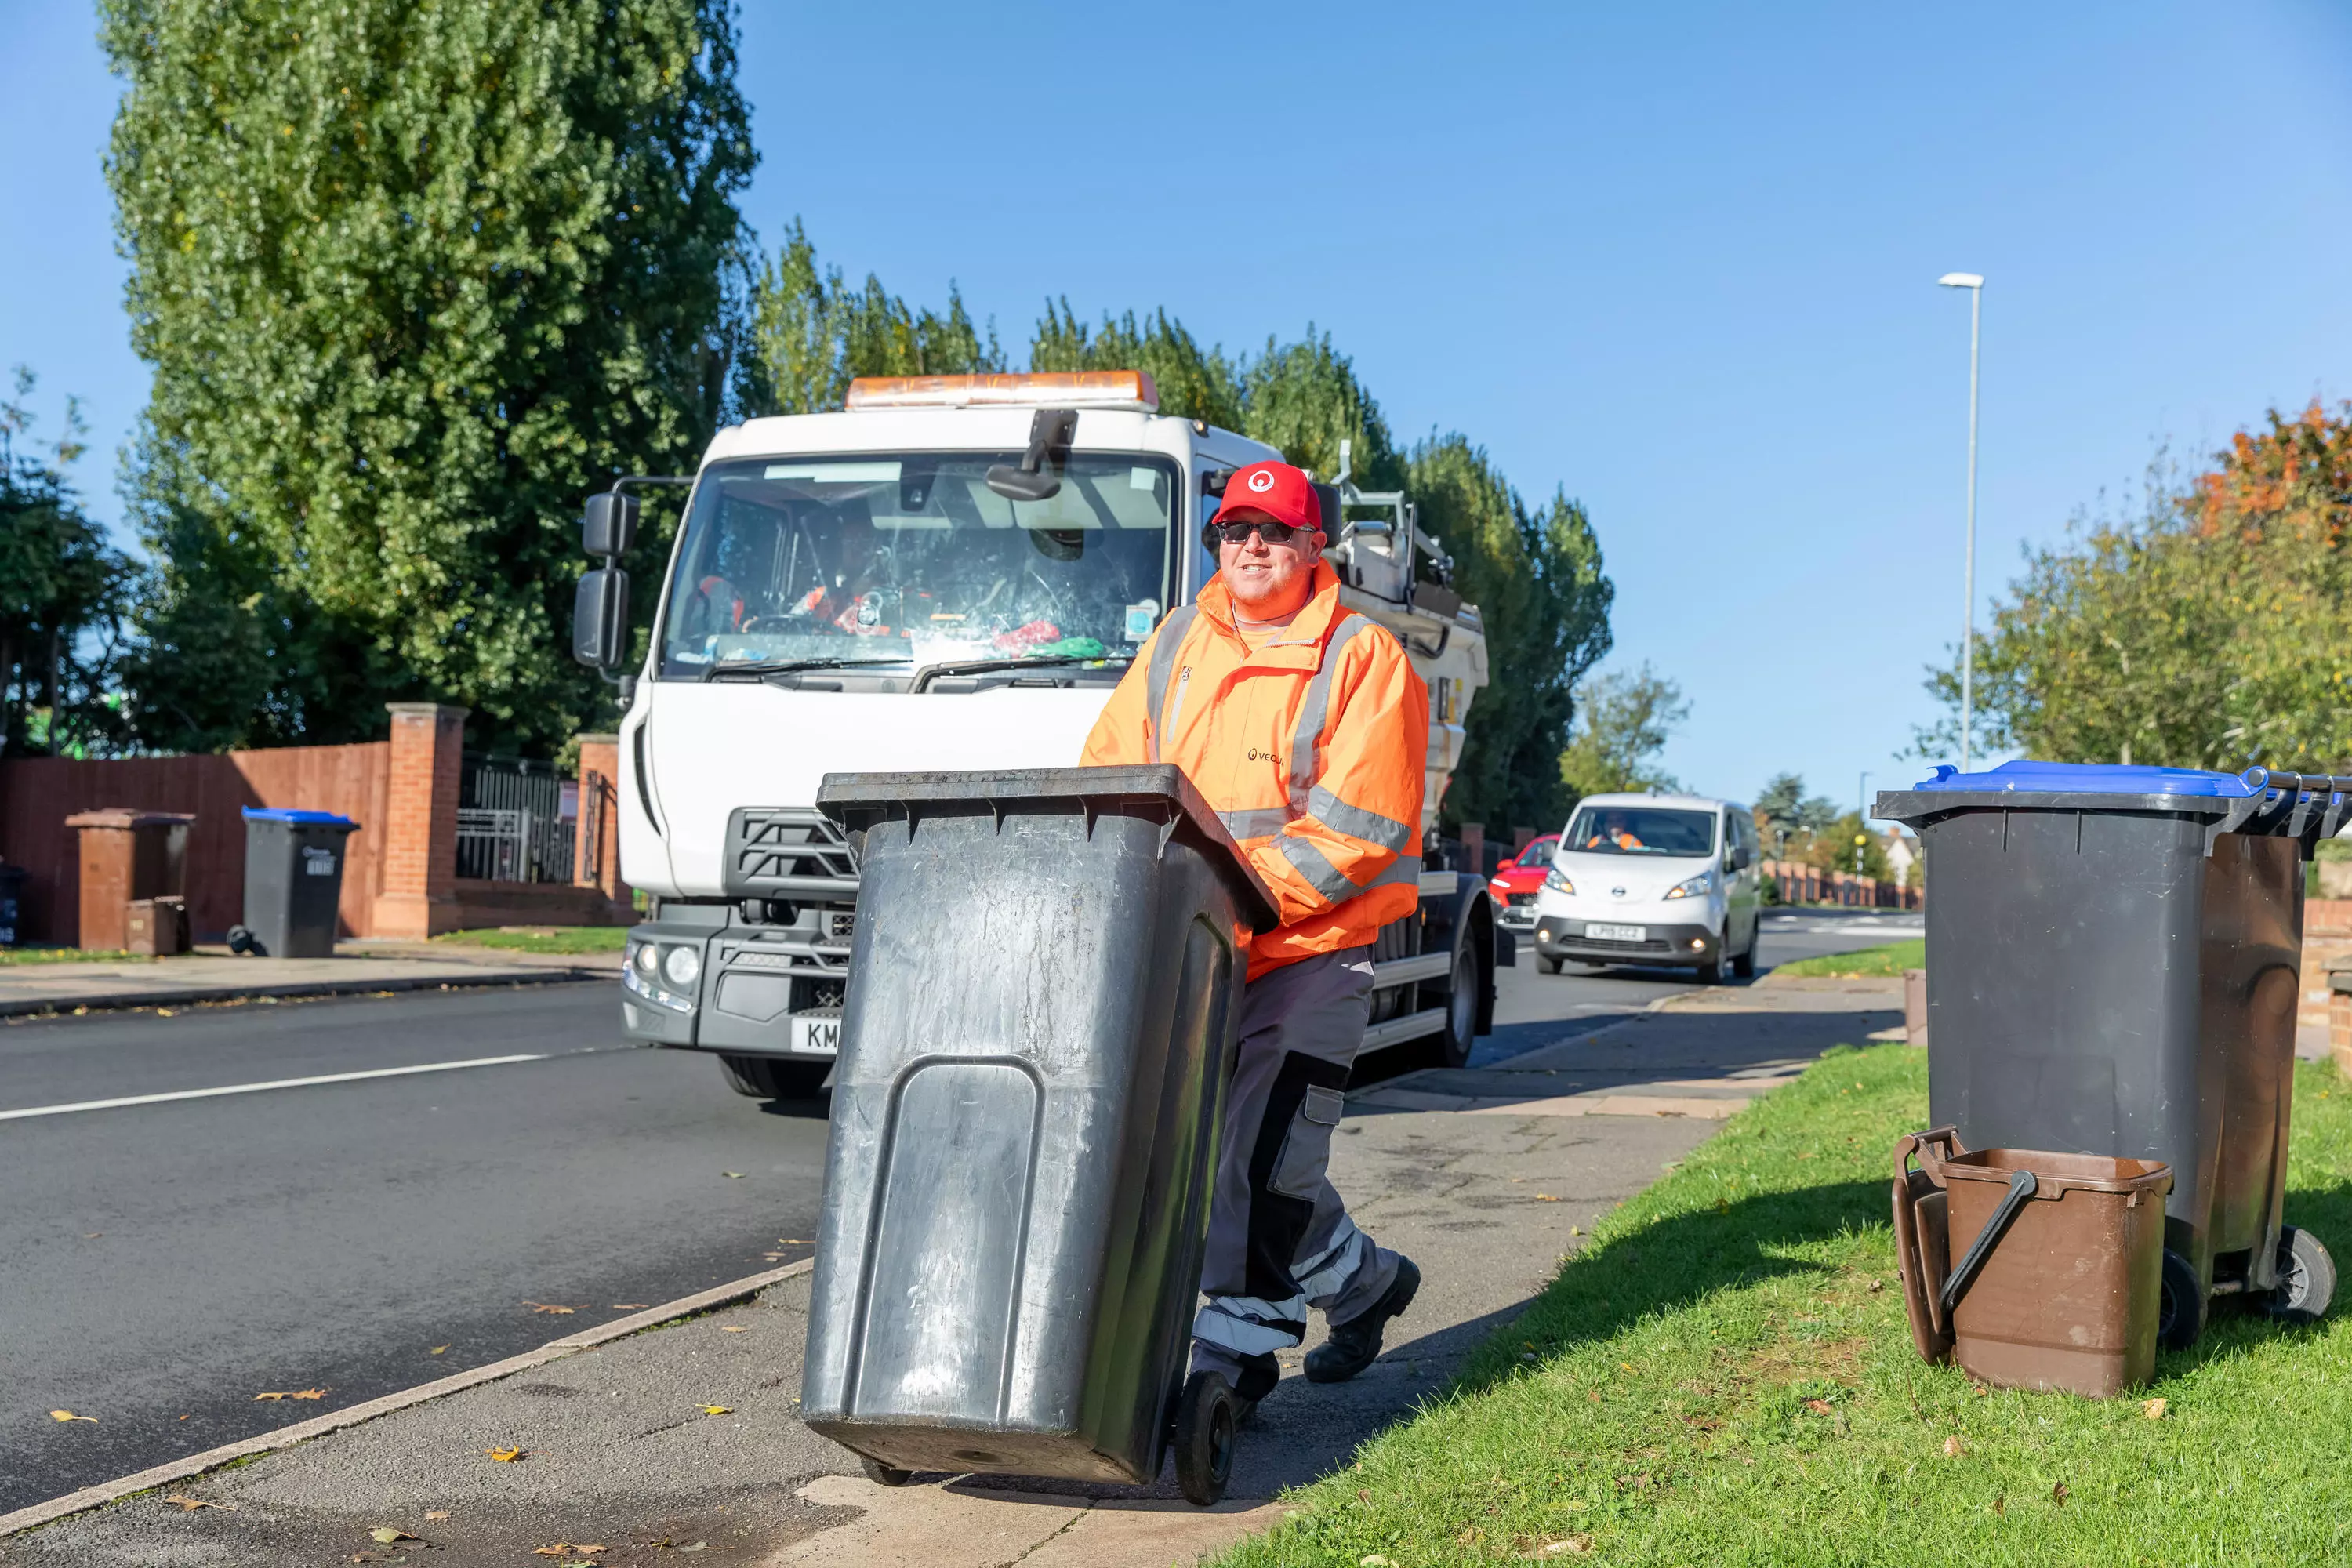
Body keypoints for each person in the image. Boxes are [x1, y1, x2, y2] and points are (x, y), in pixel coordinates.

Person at [1081, 459, 1428, 1411]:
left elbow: (1356, 829)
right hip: (1192, 940)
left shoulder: (1365, 658)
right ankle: (1364, 1284)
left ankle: (1233, 1361)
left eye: (1274, 532)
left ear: (1314, 546)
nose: (1252, 547)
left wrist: (1226, 896)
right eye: (1235, 530)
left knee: (1258, 1157)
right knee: (1208, 1158)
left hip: (1311, 952)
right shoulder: (1177, 643)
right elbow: (1111, 769)